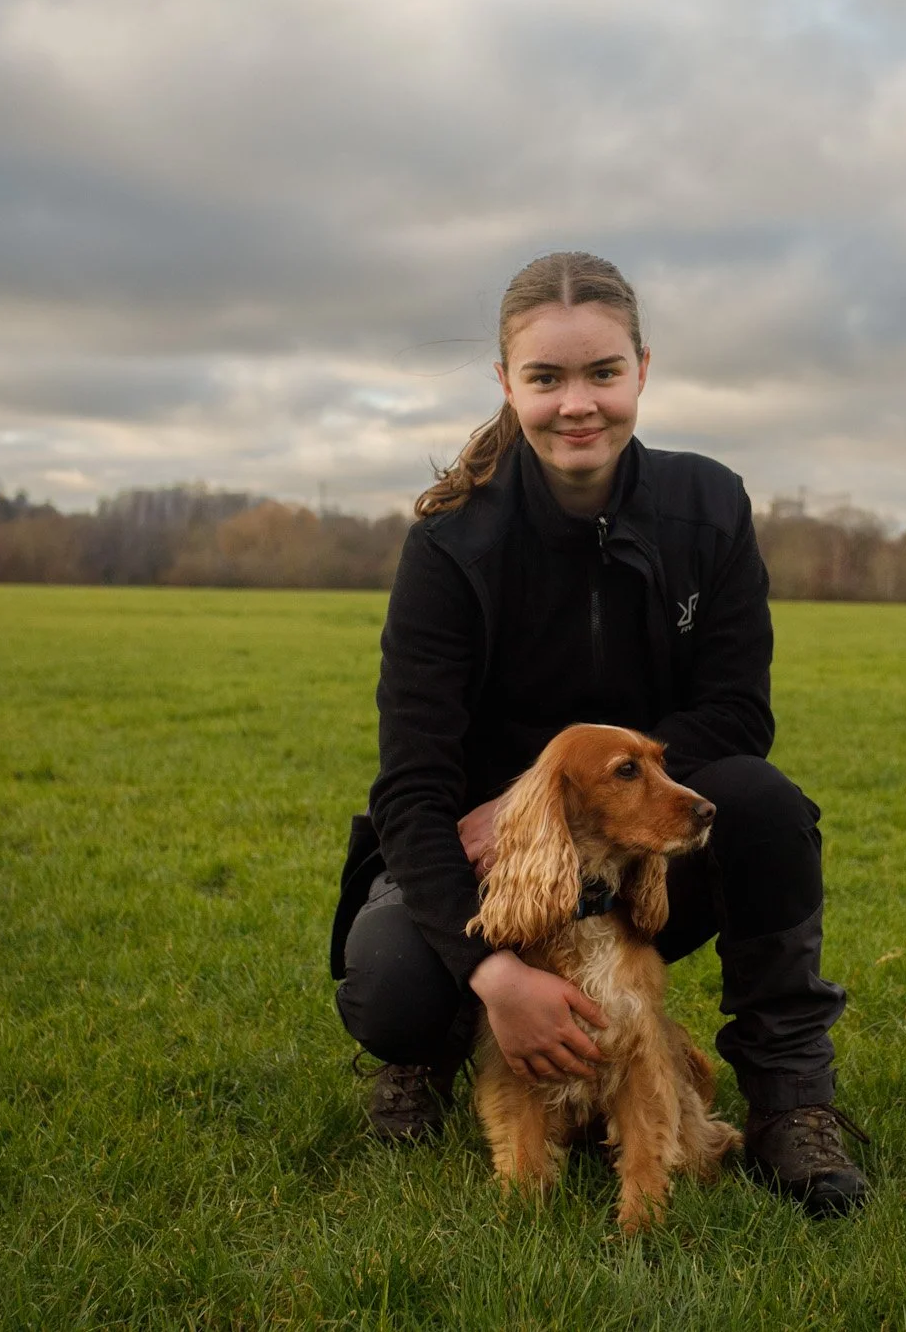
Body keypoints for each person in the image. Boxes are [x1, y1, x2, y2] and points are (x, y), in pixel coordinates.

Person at [329, 251, 868, 1217]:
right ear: (507, 384)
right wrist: (496, 967)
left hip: (632, 854)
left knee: (766, 806)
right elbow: (411, 786)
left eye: (601, 374)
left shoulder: (710, 508)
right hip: (486, 862)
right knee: (390, 984)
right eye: (545, 378)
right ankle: (441, 1044)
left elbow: (739, 715)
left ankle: (792, 1103)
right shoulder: (451, 545)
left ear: (642, 371)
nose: (577, 404)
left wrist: (603, 800)